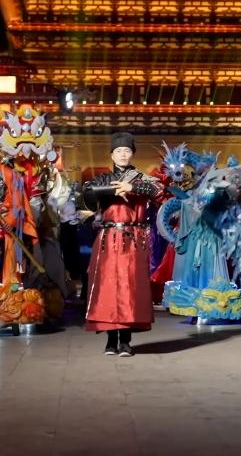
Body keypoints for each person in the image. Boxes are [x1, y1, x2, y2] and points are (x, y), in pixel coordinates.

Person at [82, 132, 162, 357]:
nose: (123, 154)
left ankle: (125, 341)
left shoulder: (141, 178)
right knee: (107, 287)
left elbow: (158, 191)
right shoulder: (104, 178)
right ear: (112, 155)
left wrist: (131, 188)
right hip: (108, 238)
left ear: (132, 154)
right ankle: (110, 340)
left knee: (130, 287)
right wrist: (112, 190)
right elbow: (87, 193)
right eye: (118, 151)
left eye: (127, 151)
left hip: (133, 238)